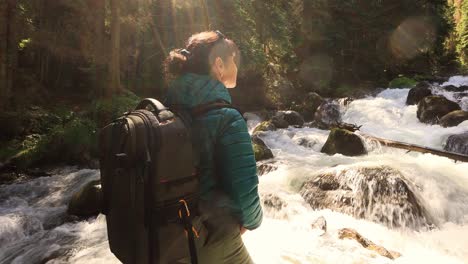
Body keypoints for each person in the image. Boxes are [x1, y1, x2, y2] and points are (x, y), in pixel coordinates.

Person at [164, 30, 263, 263]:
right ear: (219, 65)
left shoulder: (167, 110)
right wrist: (251, 222)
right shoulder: (226, 118)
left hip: (163, 234)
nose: (237, 67)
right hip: (205, 233)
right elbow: (245, 188)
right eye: (234, 61)